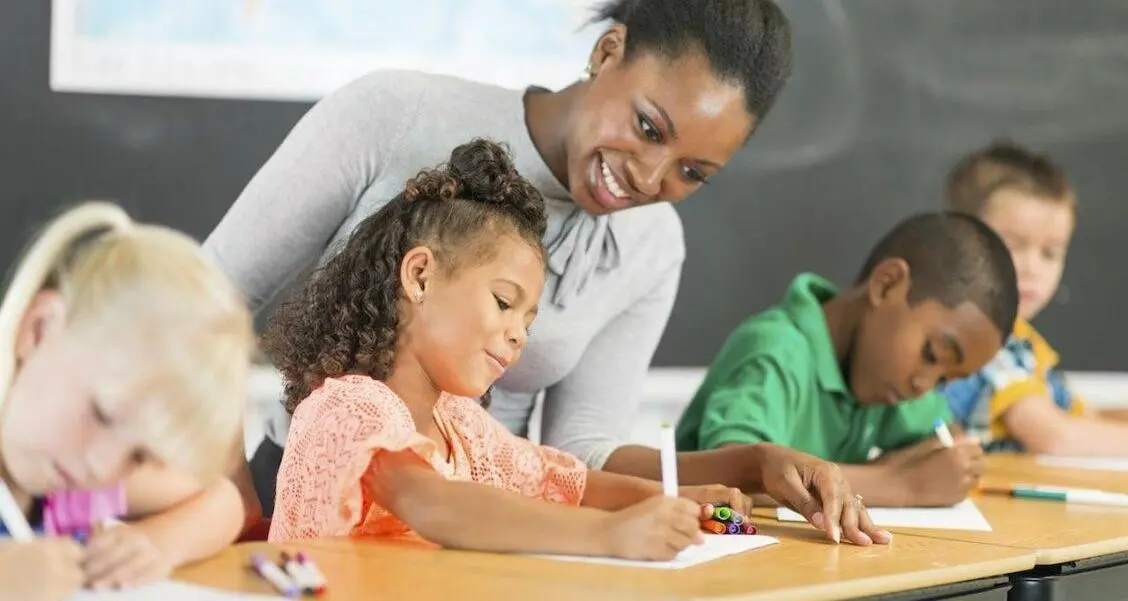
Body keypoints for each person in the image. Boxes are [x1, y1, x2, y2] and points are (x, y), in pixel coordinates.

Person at [206, 0, 880, 543]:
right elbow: (206, 296)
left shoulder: (648, 250)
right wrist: (227, 494)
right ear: (606, 51)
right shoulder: (394, 113)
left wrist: (736, 473)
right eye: (649, 126)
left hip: (488, 529)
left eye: (693, 172)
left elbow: (571, 459)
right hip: (299, 509)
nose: (650, 178)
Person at [264, 139, 877, 557]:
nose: (518, 334)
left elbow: (568, 482)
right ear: (420, 276)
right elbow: (436, 504)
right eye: (504, 303)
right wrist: (607, 537)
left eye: (529, 318)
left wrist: (679, 503)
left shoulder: (460, 425)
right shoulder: (348, 410)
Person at [0, 203, 254, 601]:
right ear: (39, 329)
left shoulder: (71, 478)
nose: (104, 467)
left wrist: (157, 542)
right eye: (102, 414)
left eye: (139, 456)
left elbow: (222, 500)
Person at [677, 212, 1019, 507]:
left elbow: (943, 436)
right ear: (886, 286)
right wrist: (898, 484)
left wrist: (950, 459)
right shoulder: (775, 351)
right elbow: (737, 480)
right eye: (931, 355)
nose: (924, 386)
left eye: (945, 380)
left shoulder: (884, 381)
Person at [941, 141, 1128, 454]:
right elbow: (1055, 436)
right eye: (1012, 246)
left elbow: (1082, 418)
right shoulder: (982, 340)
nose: (1032, 269)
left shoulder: (1025, 343)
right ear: (961, 240)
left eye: (1050, 253)